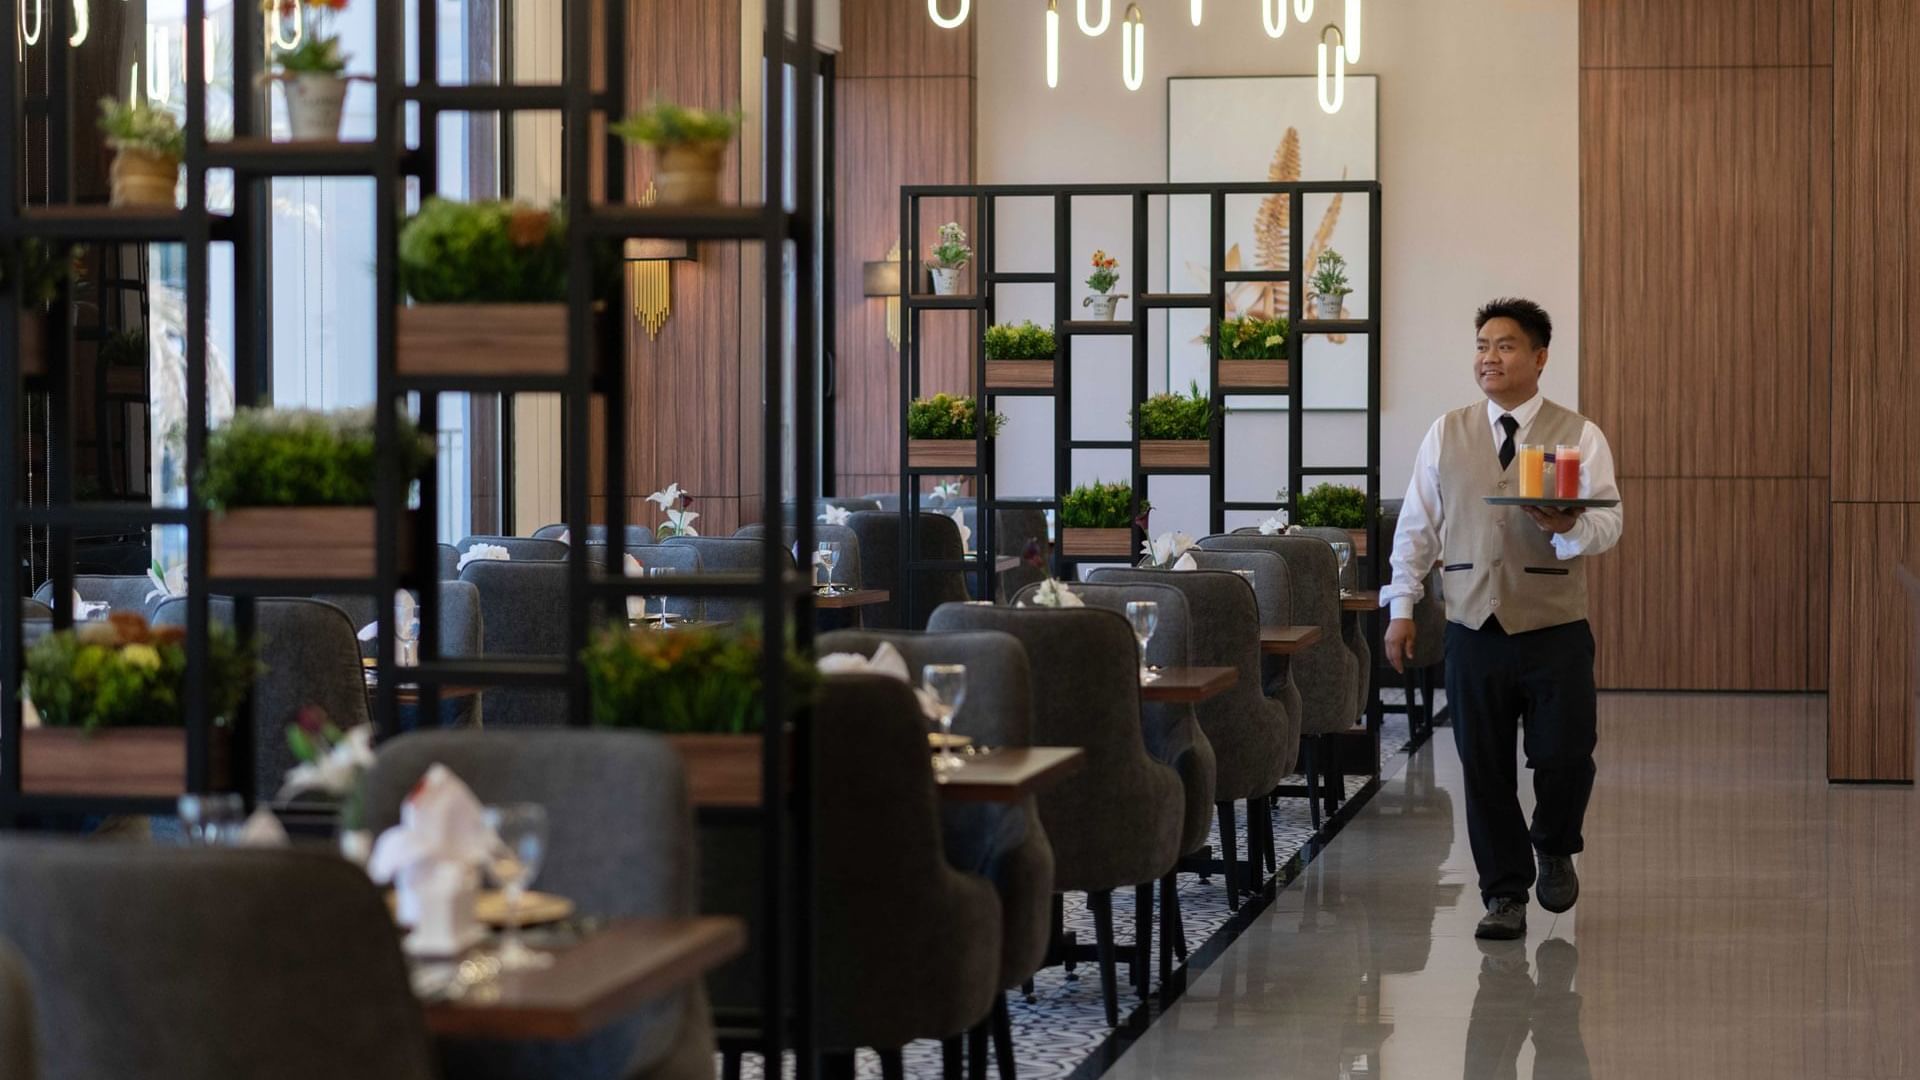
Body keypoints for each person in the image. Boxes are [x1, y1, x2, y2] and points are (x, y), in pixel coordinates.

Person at [1380, 298, 1622, 941]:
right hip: (1471, 627)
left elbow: (1609, 522)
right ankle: (1504, 895)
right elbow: (1417, 529)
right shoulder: (1446, 431)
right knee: (1484, 768)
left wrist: (1570, 527)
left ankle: (1554, 843)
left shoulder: (1579, 433)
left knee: (1566, 755)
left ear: (1540, 357)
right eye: (1483, 345)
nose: (1490, 357)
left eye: (1506, 345)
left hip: (1554, 628)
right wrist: (1402, 607)